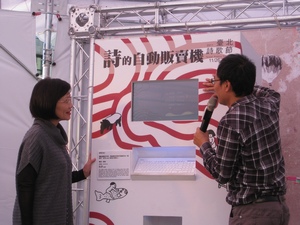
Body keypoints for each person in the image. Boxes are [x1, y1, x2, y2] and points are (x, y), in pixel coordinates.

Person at [193, 54, 290, 225]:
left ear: (227, 85)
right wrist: (228, 83)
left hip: (252, 215)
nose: (214, 86)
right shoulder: (270, 104)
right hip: (278, 209)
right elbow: (269, 92)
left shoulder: (231, 121)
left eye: (215, 81)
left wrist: (204, 144)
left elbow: (222, 174)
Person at [13, 77, 96, 225]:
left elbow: (54, 179)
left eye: (70, 100)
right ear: (49, 102)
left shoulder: (54, 137)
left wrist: (82, 173)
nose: (71, 105)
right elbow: (25, 184)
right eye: (66, 101)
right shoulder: (37, 136)